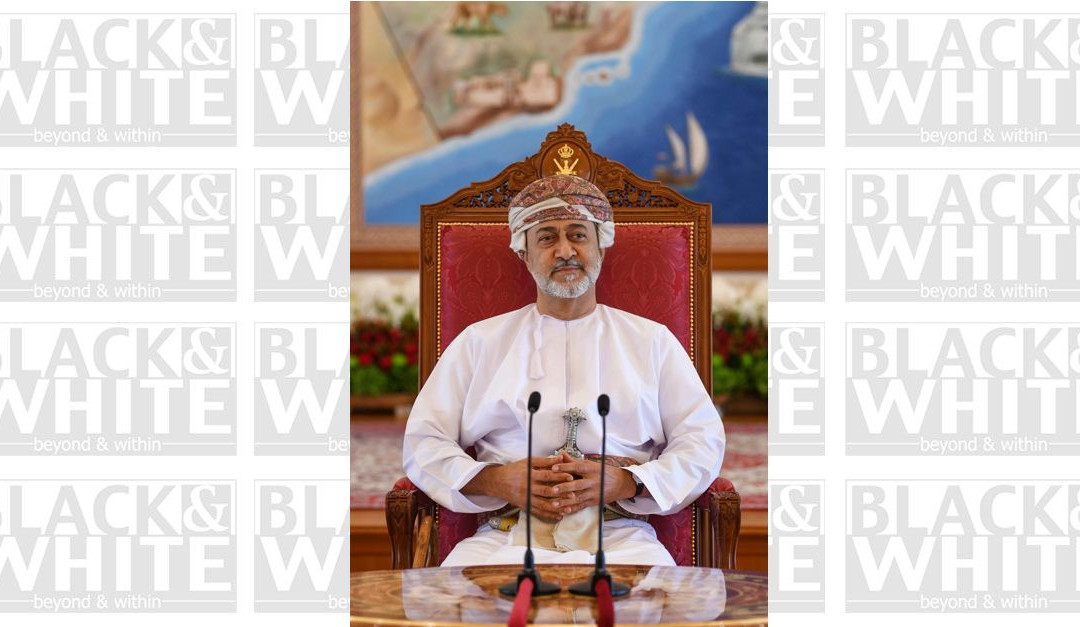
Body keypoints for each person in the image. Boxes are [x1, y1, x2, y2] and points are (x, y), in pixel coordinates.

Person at [402, 174, 725, 566]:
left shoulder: (651, 341)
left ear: (601, 246)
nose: (565, 251)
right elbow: (423, 441)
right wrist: (495, 480)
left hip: (620, 537)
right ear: (524, 254)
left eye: (578, 235)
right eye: (546, 238)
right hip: (504, 536)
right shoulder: (480, 342)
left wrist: (629, 482)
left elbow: (702, 440)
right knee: (457, 600)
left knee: (655, 599)